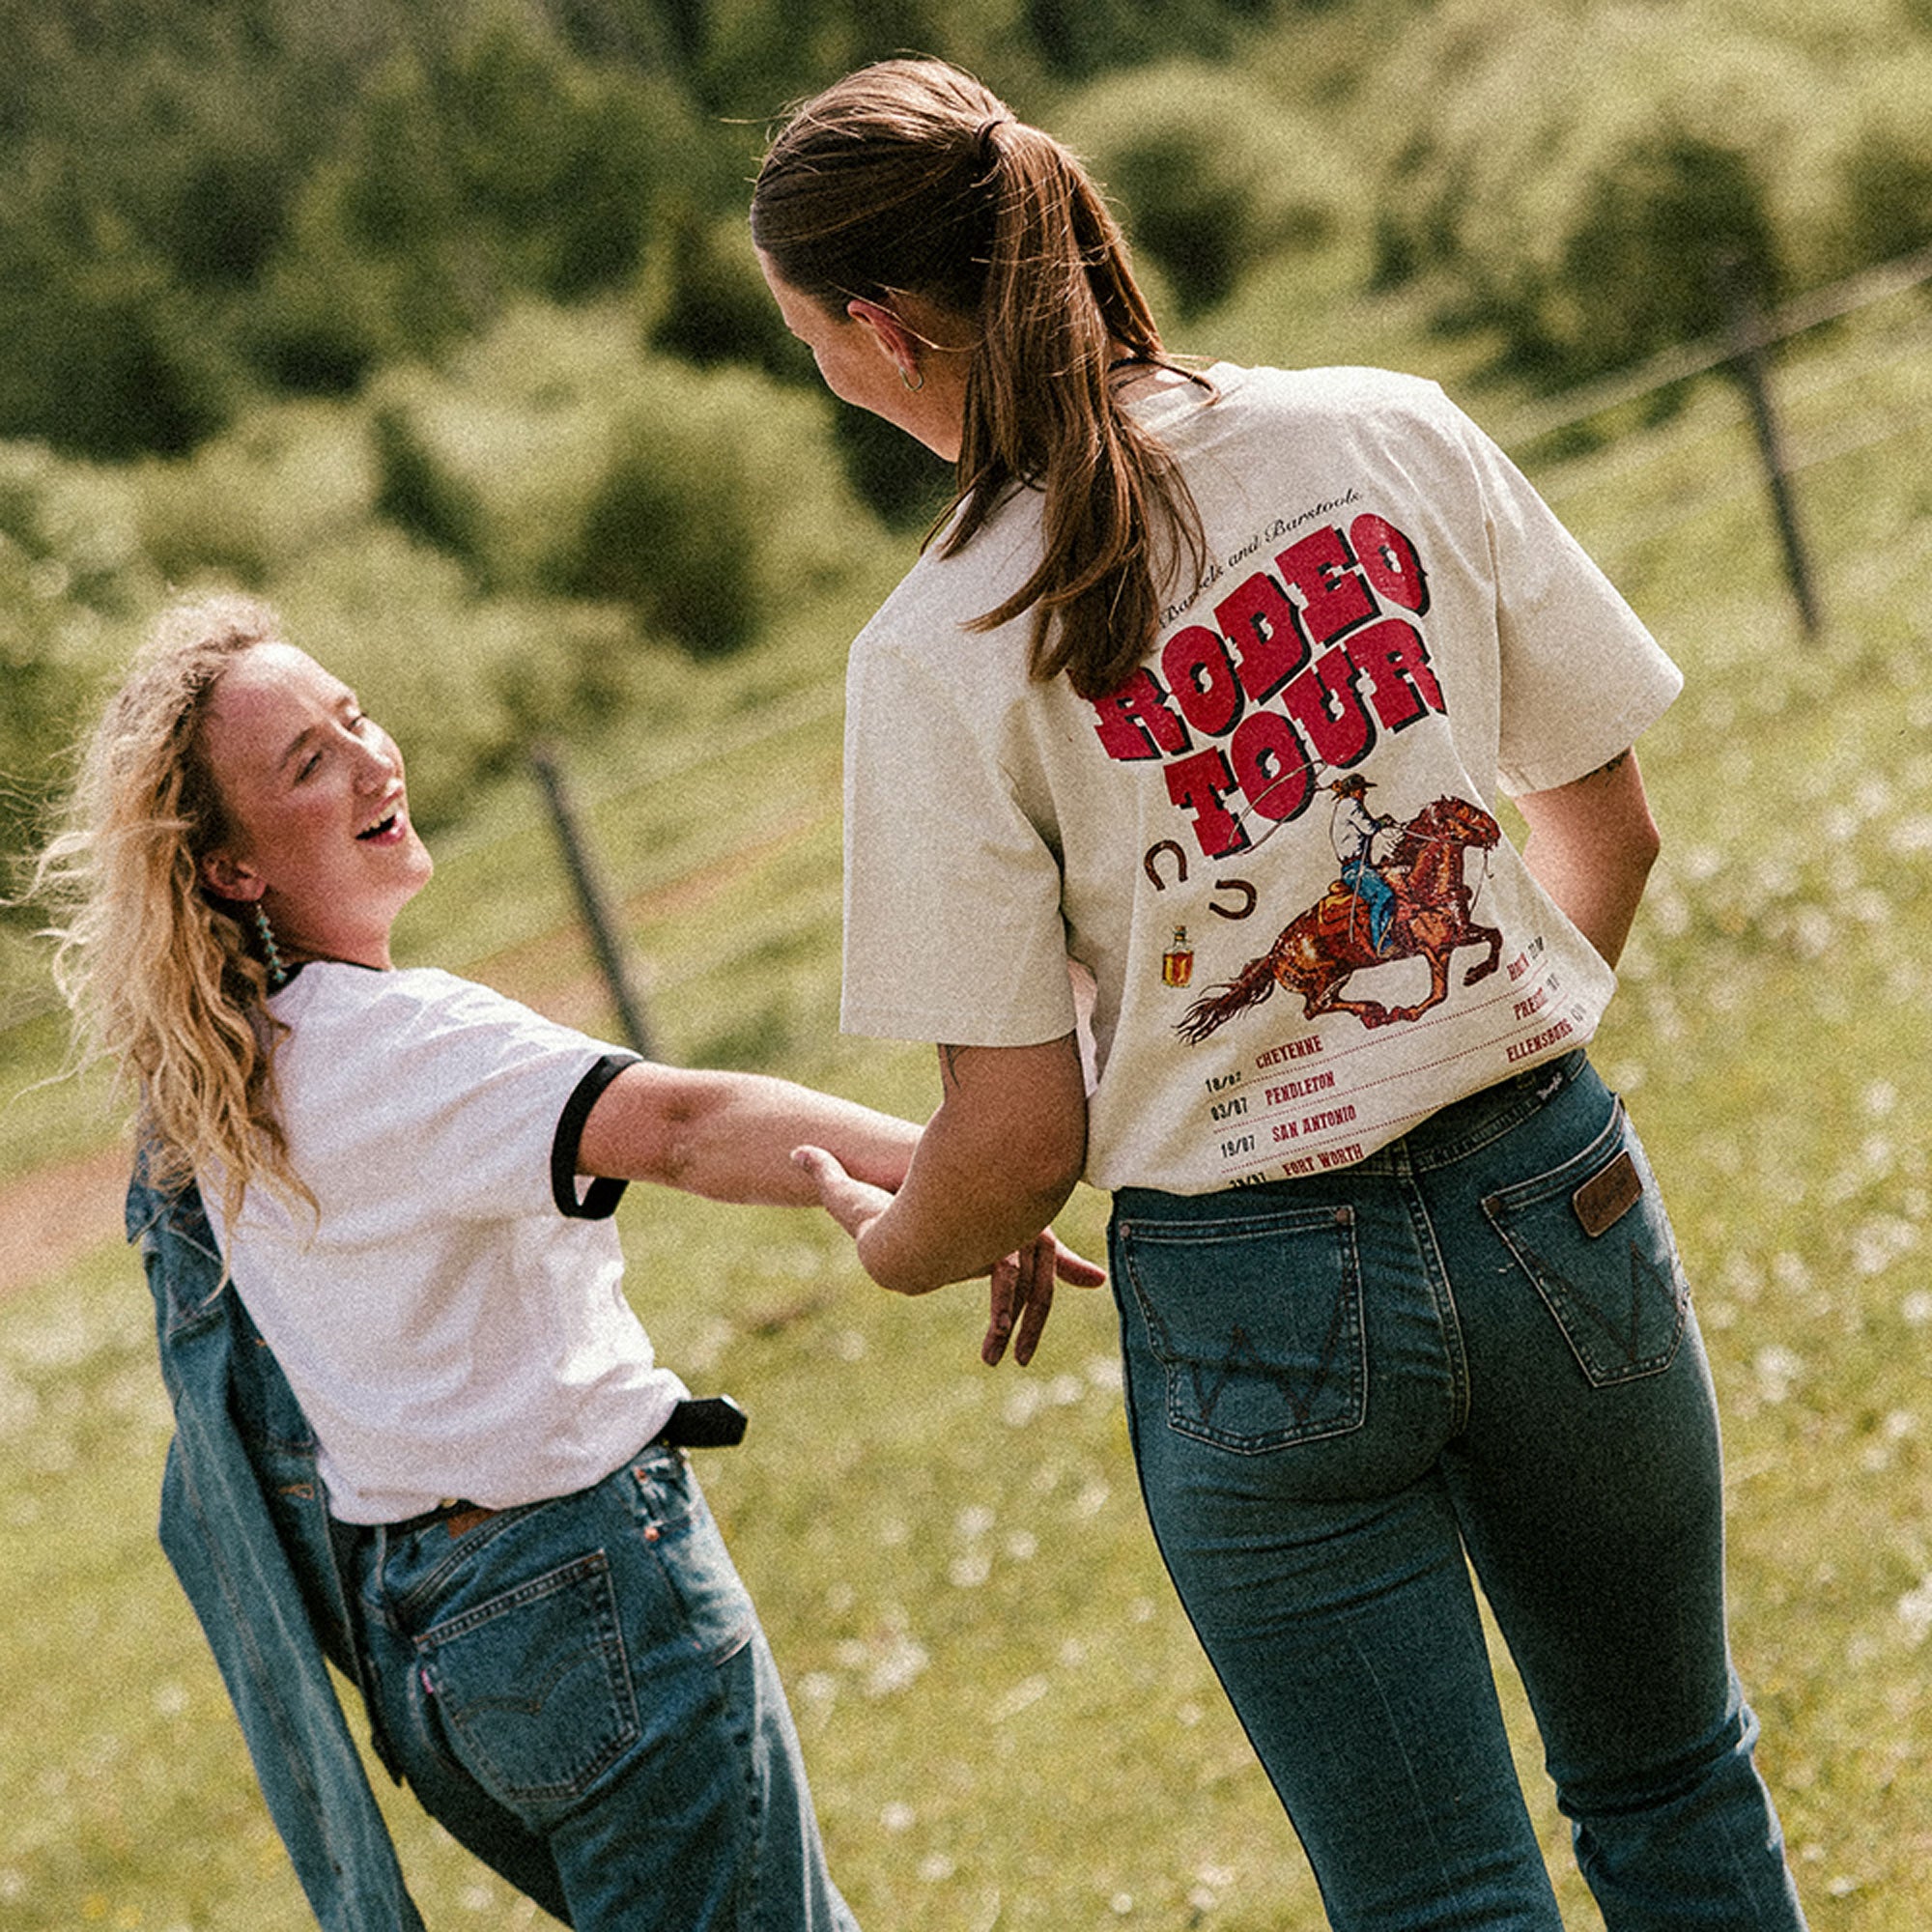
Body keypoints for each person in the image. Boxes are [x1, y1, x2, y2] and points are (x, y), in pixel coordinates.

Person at [754, 57, 1809, 1931]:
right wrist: (1476, 1061)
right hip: (1551, 1190)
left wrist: (891, 1234)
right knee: (1671, 1783)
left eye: (813, 346)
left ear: (875, 327)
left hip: (1255, 1311)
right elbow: (1610, 834)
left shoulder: (931, 651)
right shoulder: (1384, 429)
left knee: (1442, 1903)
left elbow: (1010, 1143)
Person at [35, 591, 1096, 1932]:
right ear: (233, 867)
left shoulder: (224, 1089)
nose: (373, 761)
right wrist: (967, 1169)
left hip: (434, 1644)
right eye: (310, 764)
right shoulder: (387, 1045)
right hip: (585, 1592)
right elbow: (683, 1126)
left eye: (354, 717)